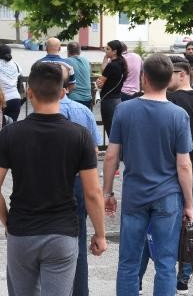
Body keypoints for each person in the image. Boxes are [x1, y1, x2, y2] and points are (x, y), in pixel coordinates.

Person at [0, 62, 106, 296]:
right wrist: (99, 233)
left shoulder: (10, 134)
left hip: (22, 232)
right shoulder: (80, 136)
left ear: (29, 93)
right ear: (62, 91)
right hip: (62, 232)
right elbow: (92, 192)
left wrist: (7, 221)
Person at [103, 54, 193, 295]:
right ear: (168, 80)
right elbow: (184, 165)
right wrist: (189, 203)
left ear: (144, 77)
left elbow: (111, 156)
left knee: (129, 262)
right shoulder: (178, 115)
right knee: (165, 263)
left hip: (134, 194)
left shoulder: (124, 110)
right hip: (168, 195)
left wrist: (108, 192)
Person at [137, 56, 193, 294]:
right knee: (191, 226)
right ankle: (184, 278)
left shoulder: (167, 100)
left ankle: (142, 277)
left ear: (183, 74)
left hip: (173, 172)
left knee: (154, 225)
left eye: (170, 73)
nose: (165, 77)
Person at [57, 64, 103, 296]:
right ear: (71, 86)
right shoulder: (82, 112)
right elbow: (94, 152)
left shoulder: (38, 113)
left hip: (46, 184)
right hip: (78, 181)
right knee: (78, 242)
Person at [96, 40, 128, 137]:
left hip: (108, 100)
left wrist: (97, 83)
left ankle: (114, 151)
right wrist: (106, 57)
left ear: (114, 51)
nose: (105, 50)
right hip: (117, 99)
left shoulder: (112, 65)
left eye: (108, 49)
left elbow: (100, 83)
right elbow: (105, 72)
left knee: (110, 129)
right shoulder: (121, 62)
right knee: (116, 129)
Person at [66, 42, 93, 110]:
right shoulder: (86, 61)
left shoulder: (66, 62)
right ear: (80, 51)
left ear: (68, 51)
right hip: (88, 98)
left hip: (74, 98)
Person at [0, 44, 23, 121]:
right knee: (10, 127)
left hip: (2, 100)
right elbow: (20, 76)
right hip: (15, 99)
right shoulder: (16, 64)